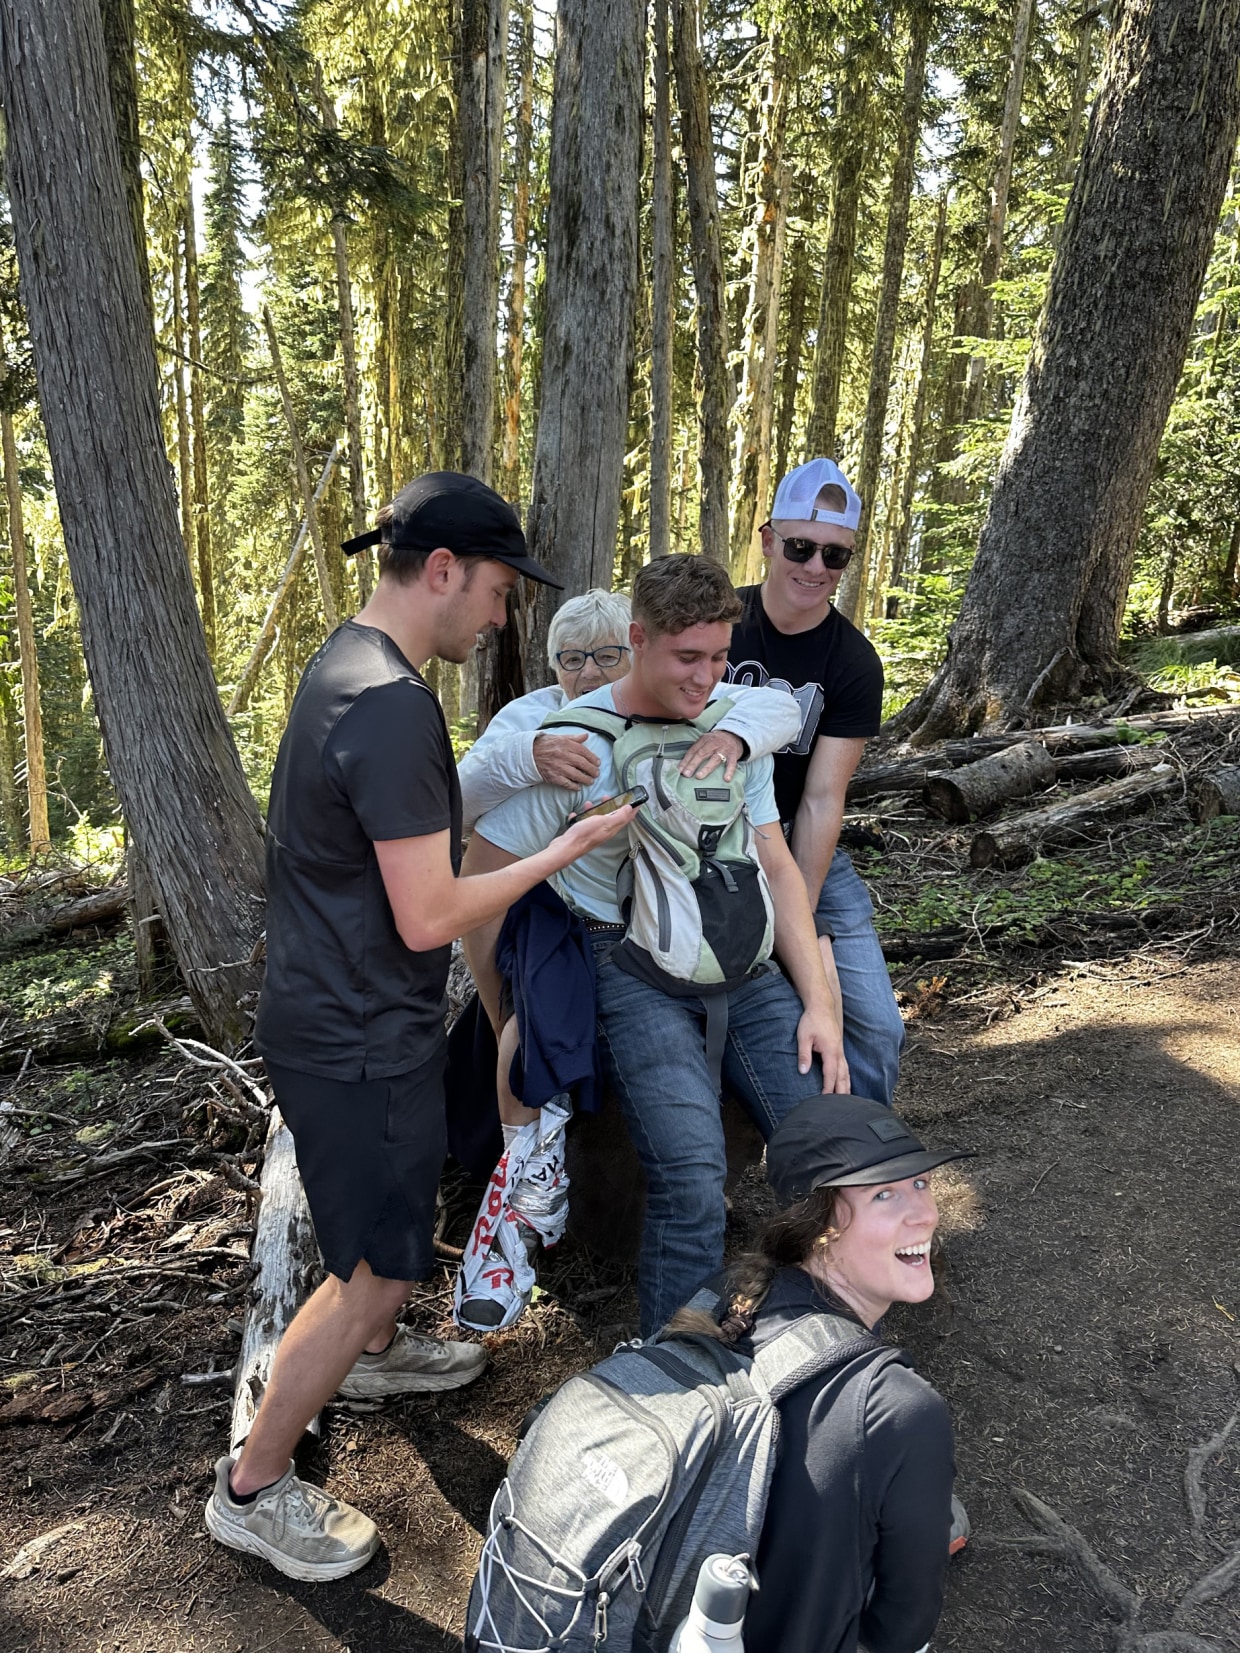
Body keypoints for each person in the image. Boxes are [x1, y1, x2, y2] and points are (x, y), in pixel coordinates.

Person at [204, 472, 636, 1583]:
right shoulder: (391, 704)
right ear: (441, 570)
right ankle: (252, 1489)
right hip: (354, 1033)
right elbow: (431, 909)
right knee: (373, 1271)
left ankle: (375, 1357)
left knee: (379, 1254)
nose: (501, 616)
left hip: (342, 1012)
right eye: (497, 590)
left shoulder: (348, 666)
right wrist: (565, 850)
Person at [463, 553, 849, 1338]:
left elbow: (774, 862)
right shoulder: (575, 745)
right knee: (691, 1170)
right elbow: (481, 871)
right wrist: (506, 1005)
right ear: (638, 638)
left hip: (739, 954)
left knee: (828, 1141)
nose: (706, 676)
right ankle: (674, 1363)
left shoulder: (733, 729)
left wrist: (820, 1001)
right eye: (686, 658)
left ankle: (826, 1328)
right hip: (626, 959)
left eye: (717, 657)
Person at [668, 1092, 970, 1653]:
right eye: (884, 1194)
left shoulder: (726, 1296)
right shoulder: (898, 1410)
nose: (925, 1213)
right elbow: (902, 1631)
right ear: (819, 1224)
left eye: (920, 1183)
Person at [726, 457, 906, 1106]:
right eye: (801, 546)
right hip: (713, 848)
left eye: (835, 556)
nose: (815, 568)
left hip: (806, 853)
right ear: (768, 538)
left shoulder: (853, 662)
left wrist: (790, 920)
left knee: (878, 1029)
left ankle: (869, 1178)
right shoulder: (716, 624)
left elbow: (824, 799)